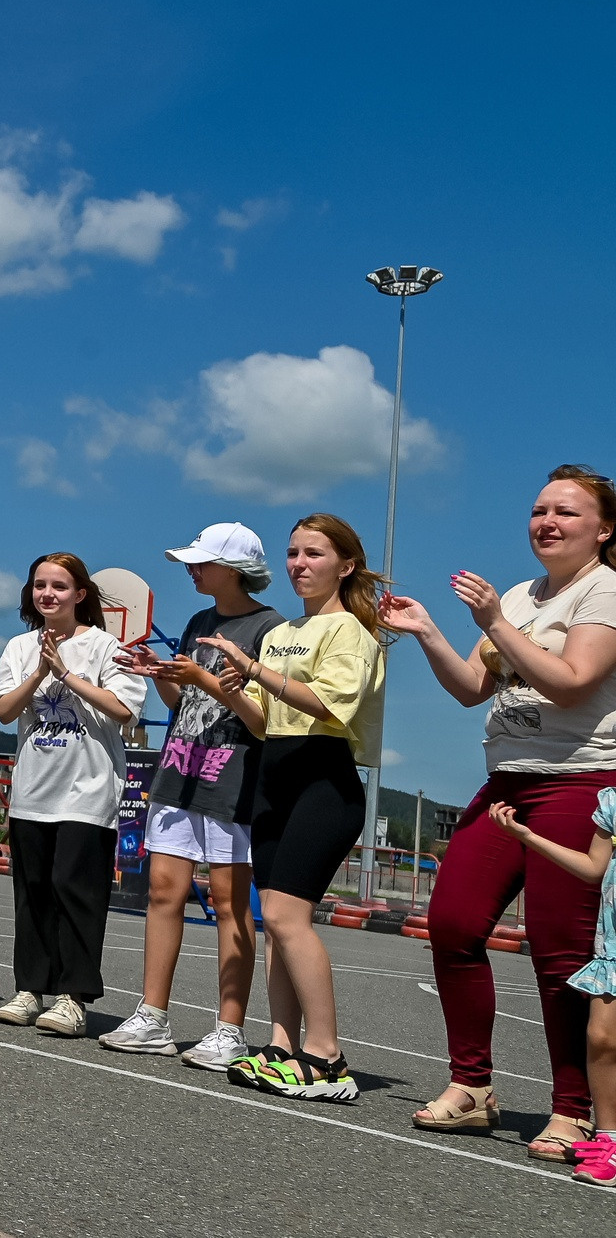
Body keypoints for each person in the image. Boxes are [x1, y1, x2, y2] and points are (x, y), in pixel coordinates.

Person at [382, 465, 616, 1158]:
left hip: (579, 783)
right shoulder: (520, 595)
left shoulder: (605, 591)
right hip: (507, 783)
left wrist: (493, 624)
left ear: (603, 529)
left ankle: (573, 1110)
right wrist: (428, 631)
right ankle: (473, 1089)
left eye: (566, 513)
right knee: (452, 922)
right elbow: (469, 689)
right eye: (540, 509)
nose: (546, 521)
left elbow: (572, 685)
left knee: (561, 952)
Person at [195, 515, 388, 1103]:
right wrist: (225, 685)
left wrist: (255, 670)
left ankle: (327, 1057)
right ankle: (283, 1047)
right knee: (274, 922)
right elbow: (261, 719)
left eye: (314, 554)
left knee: (287, 919)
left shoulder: (350, 630)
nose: (299, 564)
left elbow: (329, 707)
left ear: (346, 565)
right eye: (292, 553)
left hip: (322, 779)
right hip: (275, 772)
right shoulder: (284, 634)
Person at [103, 524, 281, 1068]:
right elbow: (183, 702)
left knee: (230, 904)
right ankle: (152, 1015)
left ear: (235, 569)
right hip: (181, 767)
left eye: (202, 562)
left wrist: (198, 681)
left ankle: (230, 1029)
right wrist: (158, 675)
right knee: (163, 891)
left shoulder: (270, 628)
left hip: (232, 775)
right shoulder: (199, 622)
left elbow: (266, 720)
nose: (191, 569)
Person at [0, 554, 146, 1038]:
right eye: (39, 585)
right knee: (32, 893)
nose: (47, 594)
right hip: (34, 790)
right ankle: (29, 988)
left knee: (75, 891)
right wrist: (38, 673)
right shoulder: (18, 646)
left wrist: (68, 675)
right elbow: (2, 710)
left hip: (87, 792)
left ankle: (74, 996)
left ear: (80, 594)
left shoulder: (106, 646)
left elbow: (123, 709)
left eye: (59, 586)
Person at [482, 794, 616, 1185]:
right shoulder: (612, 803)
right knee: (601, 1038)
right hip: (612, 950)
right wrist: (526, 835)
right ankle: (609, 1139)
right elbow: (593, 867)